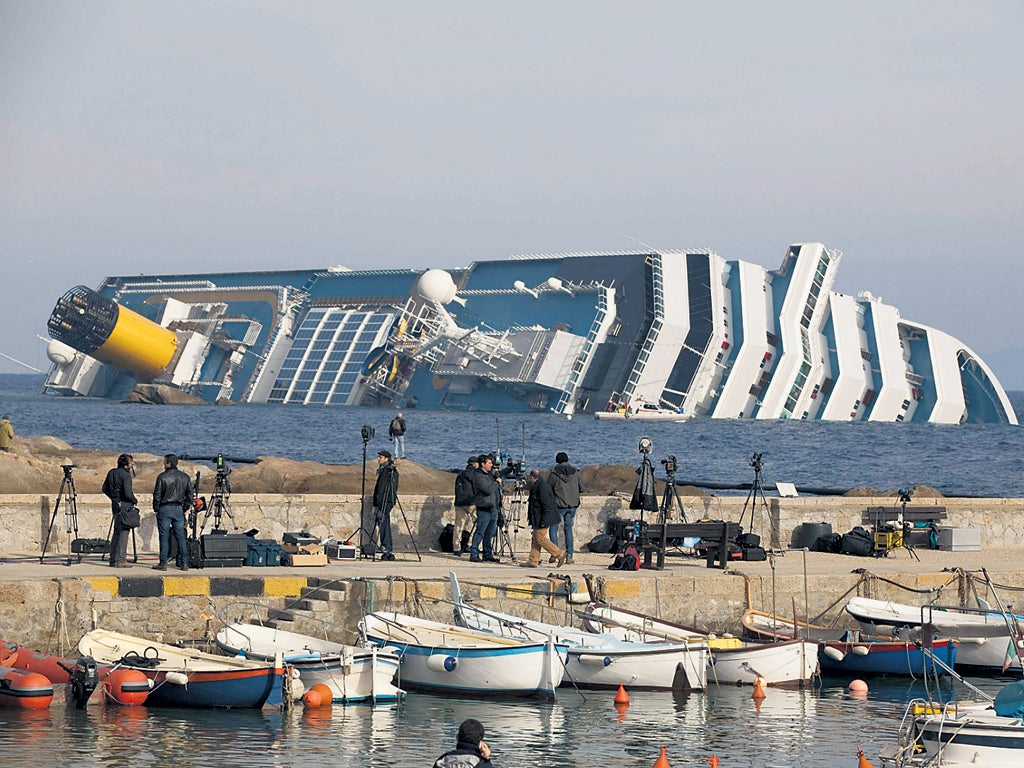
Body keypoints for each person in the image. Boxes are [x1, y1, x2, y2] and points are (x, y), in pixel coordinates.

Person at [152, 454, 194, 571]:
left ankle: (163, 563)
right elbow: (190, 495)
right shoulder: (185, 477)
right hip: (178, 509)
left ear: (168, 463)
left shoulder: (162, 477)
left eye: (165, 462)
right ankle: (185, 563)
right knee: (181, 537)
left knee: (164, 537)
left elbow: (157, 495)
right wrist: (185, 508)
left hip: (165, 508)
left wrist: (156, 509)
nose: (163, 464)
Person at [521, 469, 566, 568]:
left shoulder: (542, 488)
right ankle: (533, 560)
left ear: (532, 477)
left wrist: (544, 521)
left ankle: (559, 554)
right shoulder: (538, 485)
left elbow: (547, 505)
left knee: (540, 539)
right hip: (537, 517)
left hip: (542, 518)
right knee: (535, 539)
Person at [547, 451, 584, 564]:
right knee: (568, 529)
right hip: (572, 505)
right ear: (567, 460)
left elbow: (548, 488)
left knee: (553, 528)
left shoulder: (554, 474)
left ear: (557, 461)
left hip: (559, 505)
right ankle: (569, 556)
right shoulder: (576, 473)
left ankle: (555, 553)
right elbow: (582, 488)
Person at [101, 453, 137, 568]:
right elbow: (127, 493)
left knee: (116, 531)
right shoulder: (126, 475)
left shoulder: (112, 472)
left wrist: (114, 498)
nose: (132, 464)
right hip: (125, 505)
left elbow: (104, 488)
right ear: (126, 464)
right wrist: (134, 500)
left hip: (115, 505)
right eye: (131, 462)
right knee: (124, 532)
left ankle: (113, 558)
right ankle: (121, 559)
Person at [468, 454, 501, 563]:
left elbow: (499, 474)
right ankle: (474, 553)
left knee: (490, 533)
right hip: (484, 508)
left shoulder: (489, 474)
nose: (491, 465)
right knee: (480, 532)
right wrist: (497, 482)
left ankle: (487, 554)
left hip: (493, 508)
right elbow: (488, 489)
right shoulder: (478, 476)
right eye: (489, 463)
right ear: (483, 464)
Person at [372, 449, 399, 561]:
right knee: (382, 522)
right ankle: (385, 544)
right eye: (379, 457)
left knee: (384, 522)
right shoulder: (384, 470)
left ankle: (386, 546)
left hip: (386, 501)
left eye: (381, 457)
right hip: (382, 501)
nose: (379, 459)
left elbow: (383, 489)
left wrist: (378, 503)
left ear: (387, 459)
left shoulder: (389, 471)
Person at [452, 455, 478, 556]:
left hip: (459, 502)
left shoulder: (461, 474)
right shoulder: (475, 474)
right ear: (475, 464)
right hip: (471, 502)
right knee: (477, 524)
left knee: (458, 525)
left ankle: (456, 547)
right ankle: (470, 544)